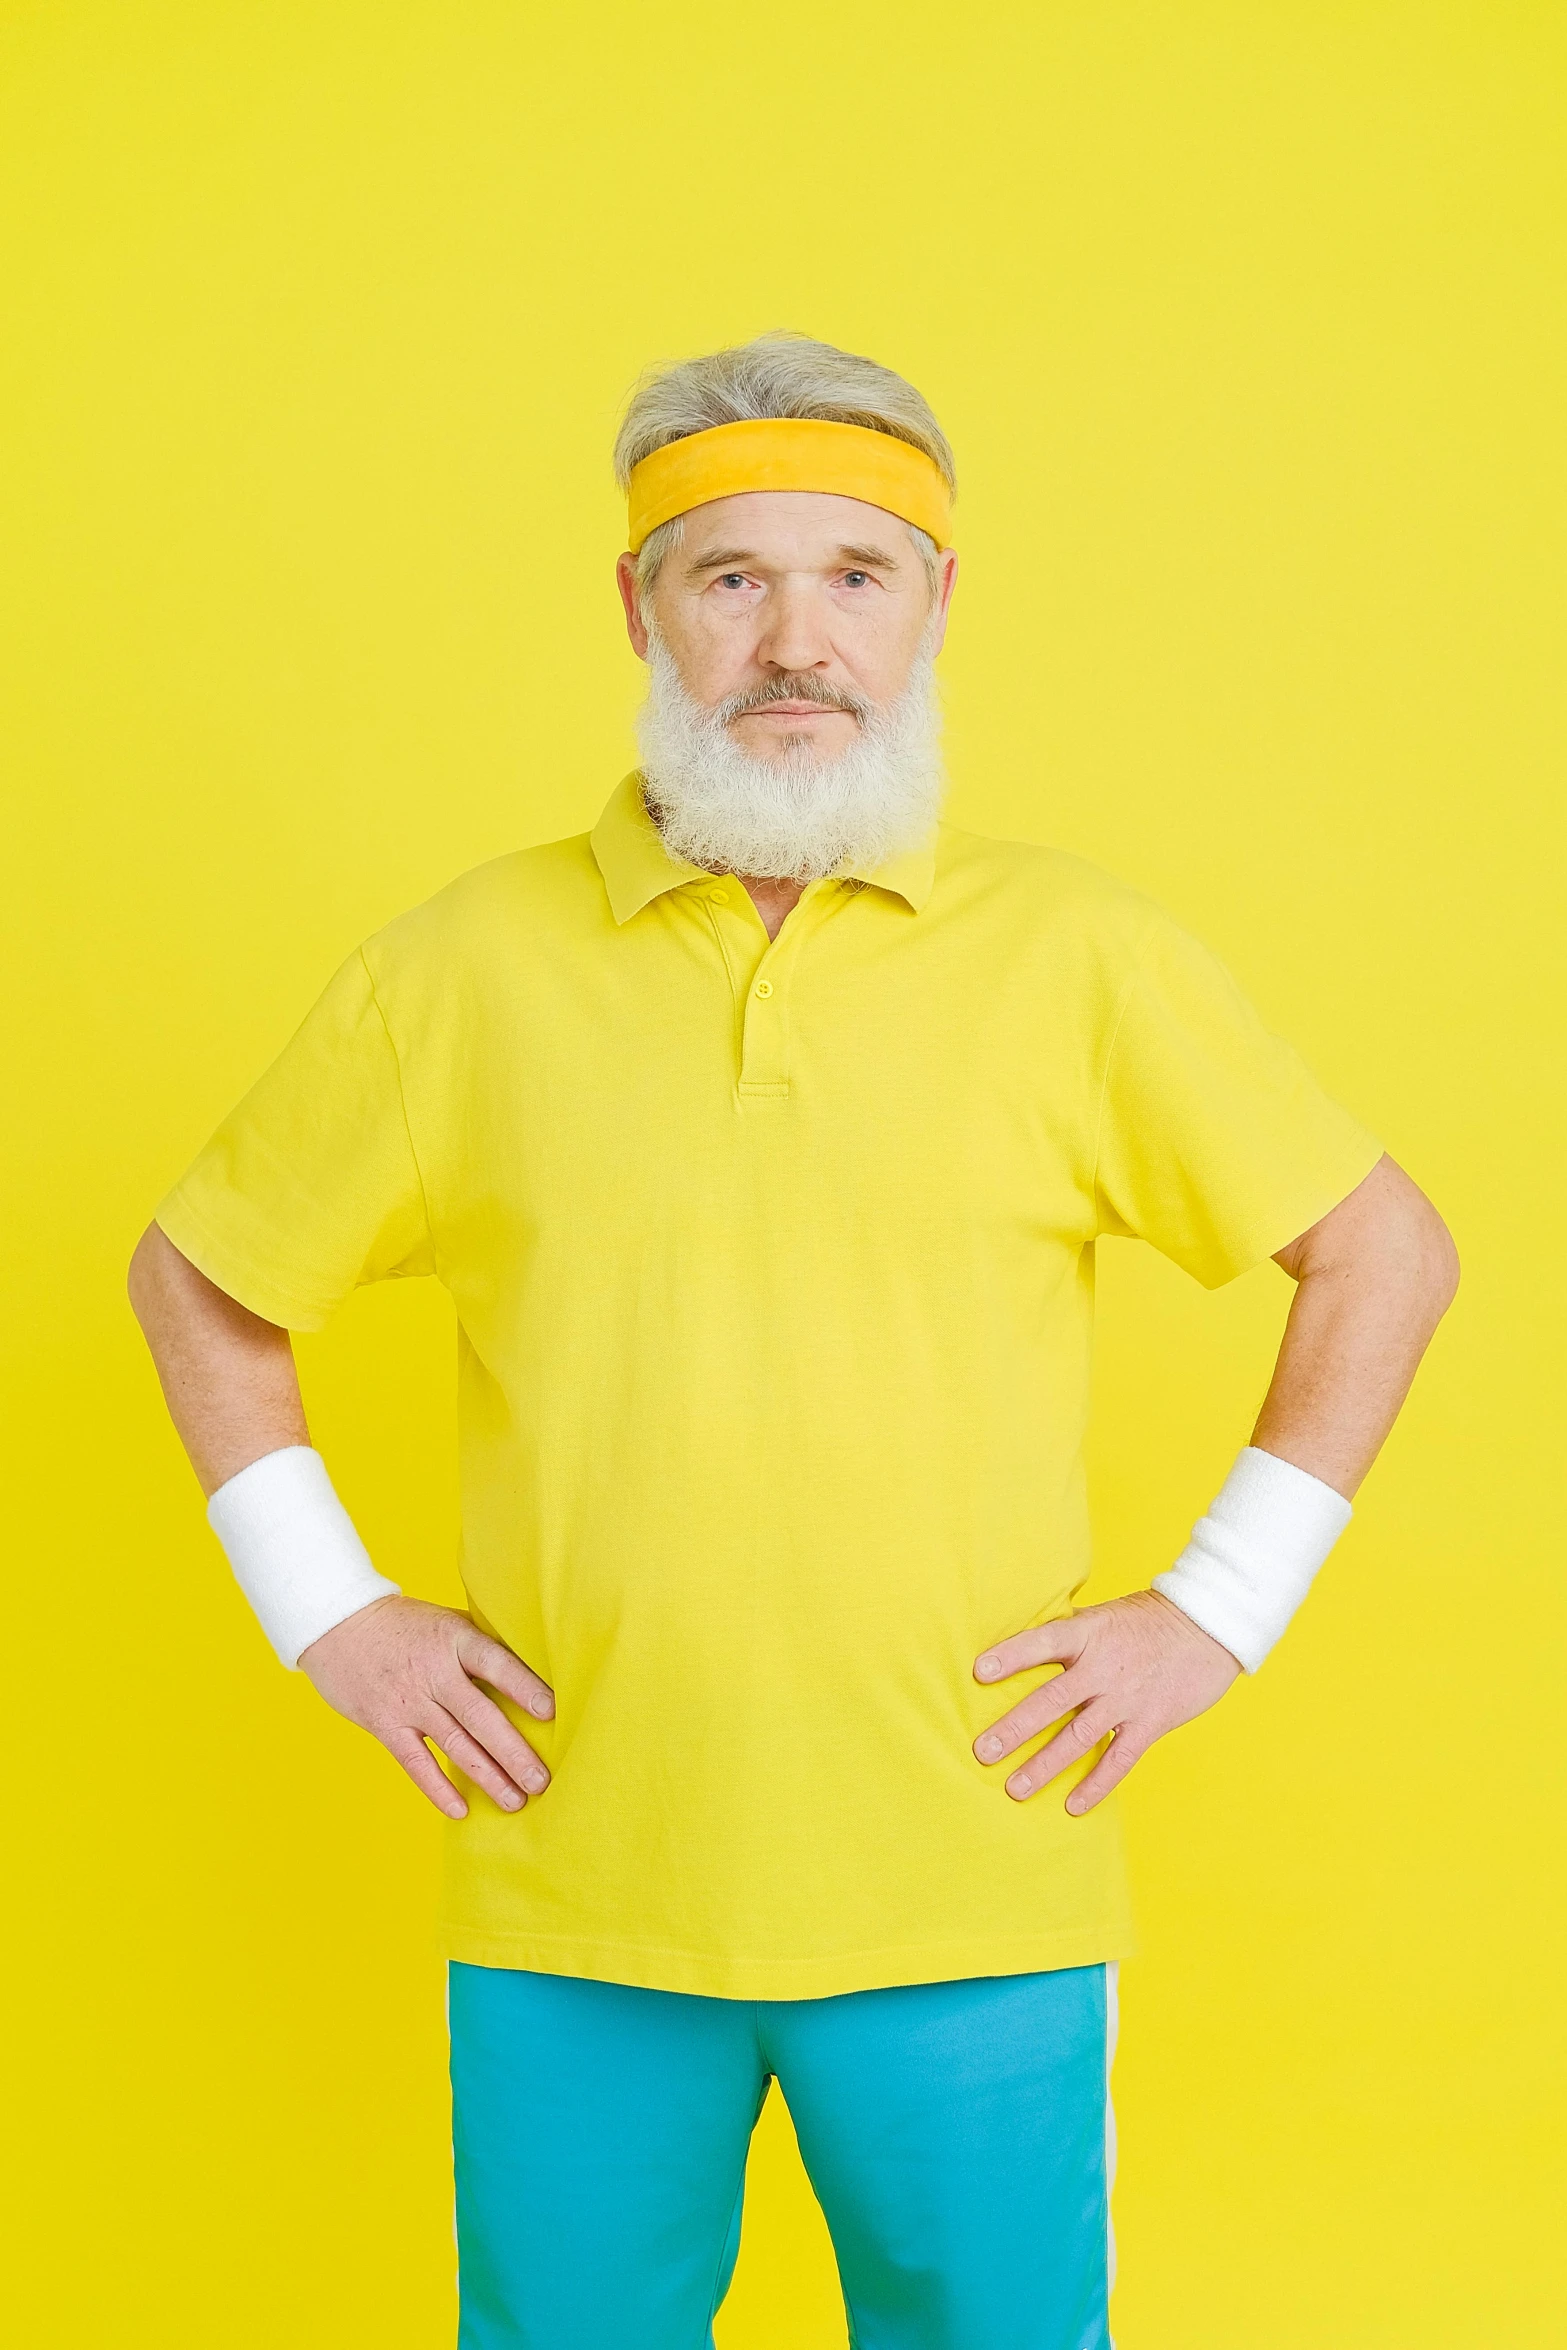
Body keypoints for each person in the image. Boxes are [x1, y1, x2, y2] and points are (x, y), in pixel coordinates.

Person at [129, 332, 1458, 2350]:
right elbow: (207, 1272)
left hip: (977, 1880)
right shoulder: (464, 964)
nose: (794, 638)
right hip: (576, 1880)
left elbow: (1384, 1250)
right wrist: (331, 1604)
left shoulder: (1081, 954)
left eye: (858, 572)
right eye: (729, 573)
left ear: (939, 606)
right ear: (638, 606)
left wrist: (1221, 1602)